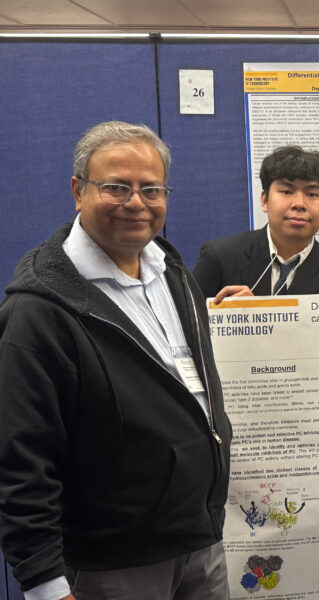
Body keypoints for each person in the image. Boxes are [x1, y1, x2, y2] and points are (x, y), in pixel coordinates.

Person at [0, 122, 231, 600]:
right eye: (116, 187)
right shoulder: (39, 312)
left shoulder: (172, 272)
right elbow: (19, 457)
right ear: (78, 190)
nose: (136, 202)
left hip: (199, 545)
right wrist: (44, 582)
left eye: (151, 189)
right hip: (110, 567)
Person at [193, 145, 319, 303]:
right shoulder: (220, 257)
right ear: (265, 200)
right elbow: (190, 325)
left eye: (312, 194)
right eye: (287, 192)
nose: (299, 203)